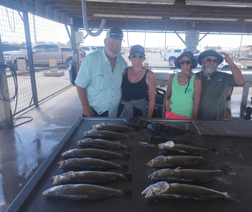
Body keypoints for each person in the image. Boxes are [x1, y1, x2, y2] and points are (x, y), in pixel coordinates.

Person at [74, 27, 127, 118]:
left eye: (118, 43)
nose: (115, 46)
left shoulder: (123, 63)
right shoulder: (91, 60)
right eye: (112, 42)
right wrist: (85, 106)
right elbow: (80, 85)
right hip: (94, 111)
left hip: (114, 112)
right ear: (105, 42)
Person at [196, 50, 244, 120]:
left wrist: (230, 62)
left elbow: (240, 81)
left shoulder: (224, 77)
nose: (212, 62)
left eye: (215, 61)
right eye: (209, 60)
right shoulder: (194, 77)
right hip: (196, 118)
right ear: (202, 61)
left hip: (217, 119)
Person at [117, 45, 156, 118]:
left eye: (140, 56)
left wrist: (149, 117)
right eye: (134, 55)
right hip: (122, 110)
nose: (137, 58)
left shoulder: (149, 75)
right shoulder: (124, 72)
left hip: (139, 112)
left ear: (143, 58)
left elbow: (152, 99)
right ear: (130, 58)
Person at [163, 51, 202, 119]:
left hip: (187, 117)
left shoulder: (197, 80)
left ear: (192, 63)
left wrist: (193, 121)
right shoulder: (172, 77)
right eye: (182, 61)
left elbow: (196, 104)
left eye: (188, 62)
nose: (185, 64)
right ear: (179, 63)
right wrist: (163, 115)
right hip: (170, 113)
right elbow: (167, 96)